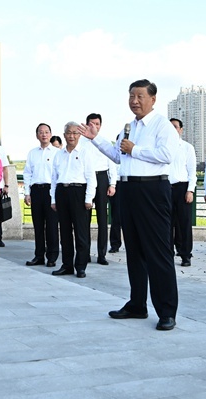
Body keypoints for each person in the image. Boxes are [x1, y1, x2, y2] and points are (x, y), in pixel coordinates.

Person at [82, 79, 179, 331]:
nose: (134, 101)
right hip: (128, 189)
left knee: (158, 251)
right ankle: (137, 304)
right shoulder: (129, 127)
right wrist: (95, 139)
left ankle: (167, 311)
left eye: (139, 96)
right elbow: (118, 155)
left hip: (152, 190)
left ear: (153, 99)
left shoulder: (162, 125)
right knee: (134, 250)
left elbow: (167, 155)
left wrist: (135, 150)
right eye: (131, 96)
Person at [50, 122, 95, 279]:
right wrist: (53, 199)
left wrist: (89, 198)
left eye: (75, 133)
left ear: (79, 135)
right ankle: (67, 265)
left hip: (79, 192)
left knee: (81, 232)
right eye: (69, 133)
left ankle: (81, 266)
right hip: (62, 191)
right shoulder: (59, 154)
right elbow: (54, 178)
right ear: (64, 135)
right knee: (65, 232)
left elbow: (91, 177)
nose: (72, 136)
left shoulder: (85, 153)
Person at [23, 123, 59, 267]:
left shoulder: (57, 153)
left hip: (51, 190)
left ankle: (52, 257)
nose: (44, 134)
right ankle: (39, 256)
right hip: (36, 190)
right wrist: (27, 193)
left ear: (51, 134)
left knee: (51, 225)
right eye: (41, 132)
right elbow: (27, 173)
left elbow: (59, 174)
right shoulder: (32, 153)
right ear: (37, 135)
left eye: (46, 132)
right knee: (37, 225)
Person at [84, 113, 117, 265]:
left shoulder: (104, 141)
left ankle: (102, 254)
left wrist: (112, 184)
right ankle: (85, 253)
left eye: (97, 124)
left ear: (100, 126)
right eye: (91, 124)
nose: (94, 126)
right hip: (85, 180)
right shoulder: (81, 142)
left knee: (102, 219)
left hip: (102, 178)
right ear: (86, 124)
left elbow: (112, 163)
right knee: (85, 219)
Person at [168, 118, 197, 267]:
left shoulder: (187, 147)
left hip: (182, 187)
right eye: (170, 127)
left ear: (181, 130)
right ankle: (167, 253)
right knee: (166, 224)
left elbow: (192, 171)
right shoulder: (162, 146)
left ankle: (185, 255)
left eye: (175, 127)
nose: (172, 129)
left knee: (184, 223)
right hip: (165, 188)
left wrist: (190, 190)